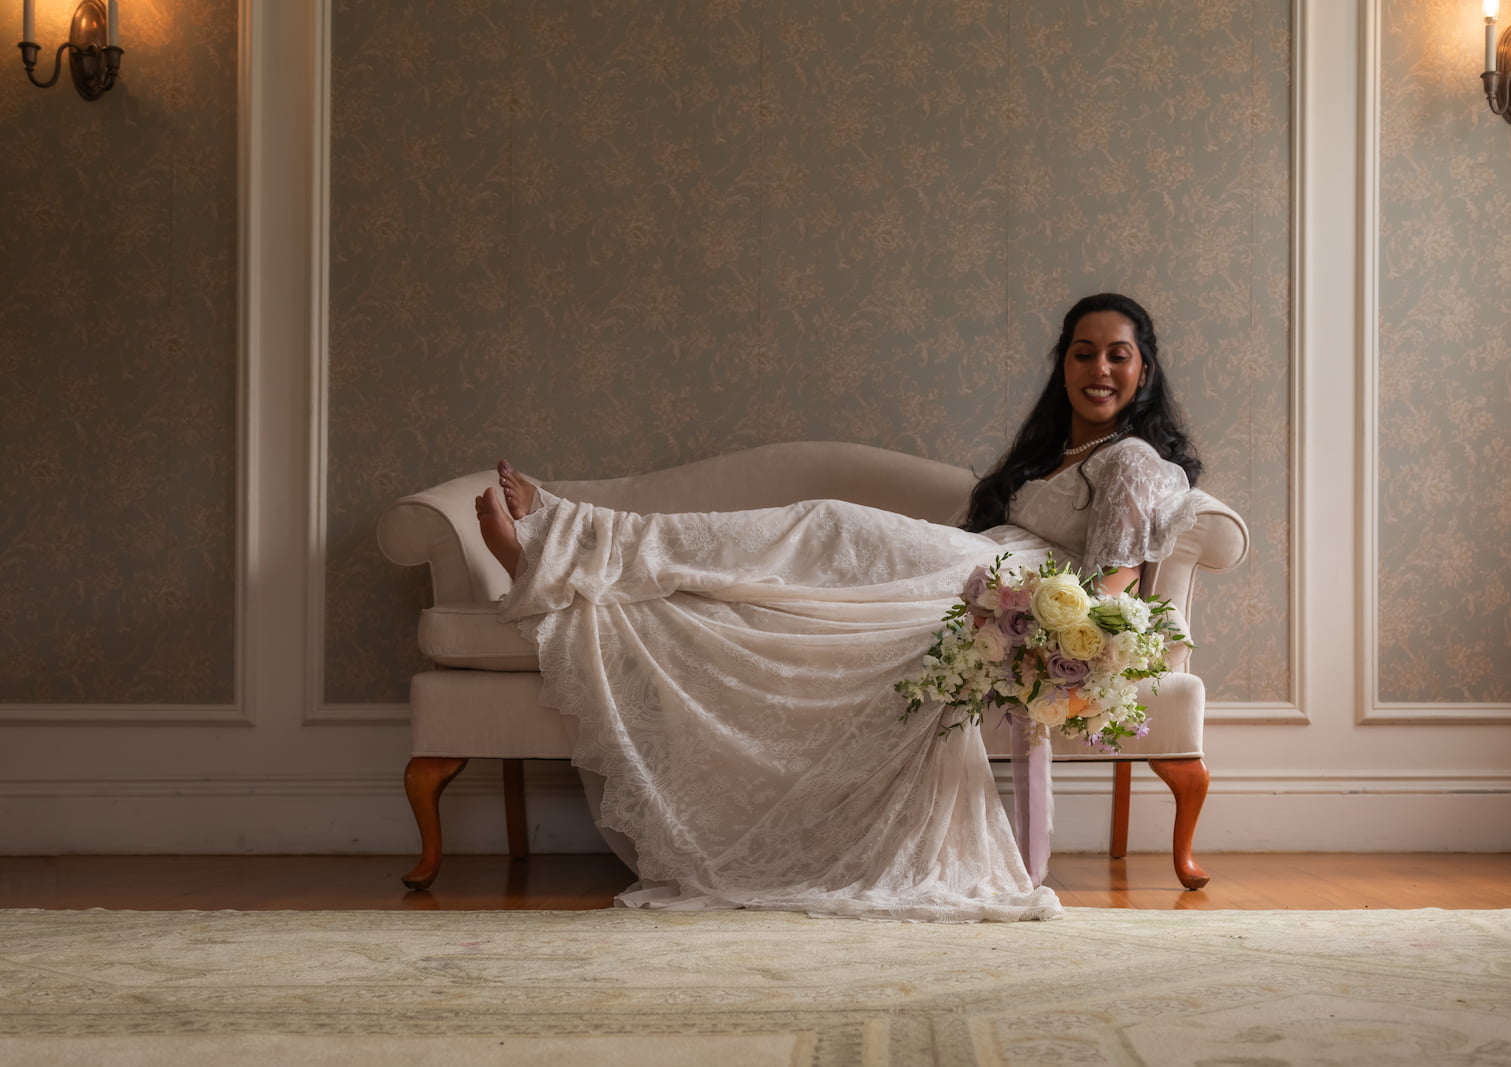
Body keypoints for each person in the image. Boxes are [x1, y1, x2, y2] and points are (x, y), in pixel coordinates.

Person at [474, 292, 1201, 922]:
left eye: (1117, 355)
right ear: (1063, 364)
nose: (1099, 369)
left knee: (823, 524)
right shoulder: (1053, 457)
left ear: (1145, 368)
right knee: (755, 600)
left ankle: (575, 539)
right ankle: (571, 558)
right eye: (1083, 353)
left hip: (1012, 587)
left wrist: (1023, 627)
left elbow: (1113, 590)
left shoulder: (1131, 460)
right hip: (977, 572)